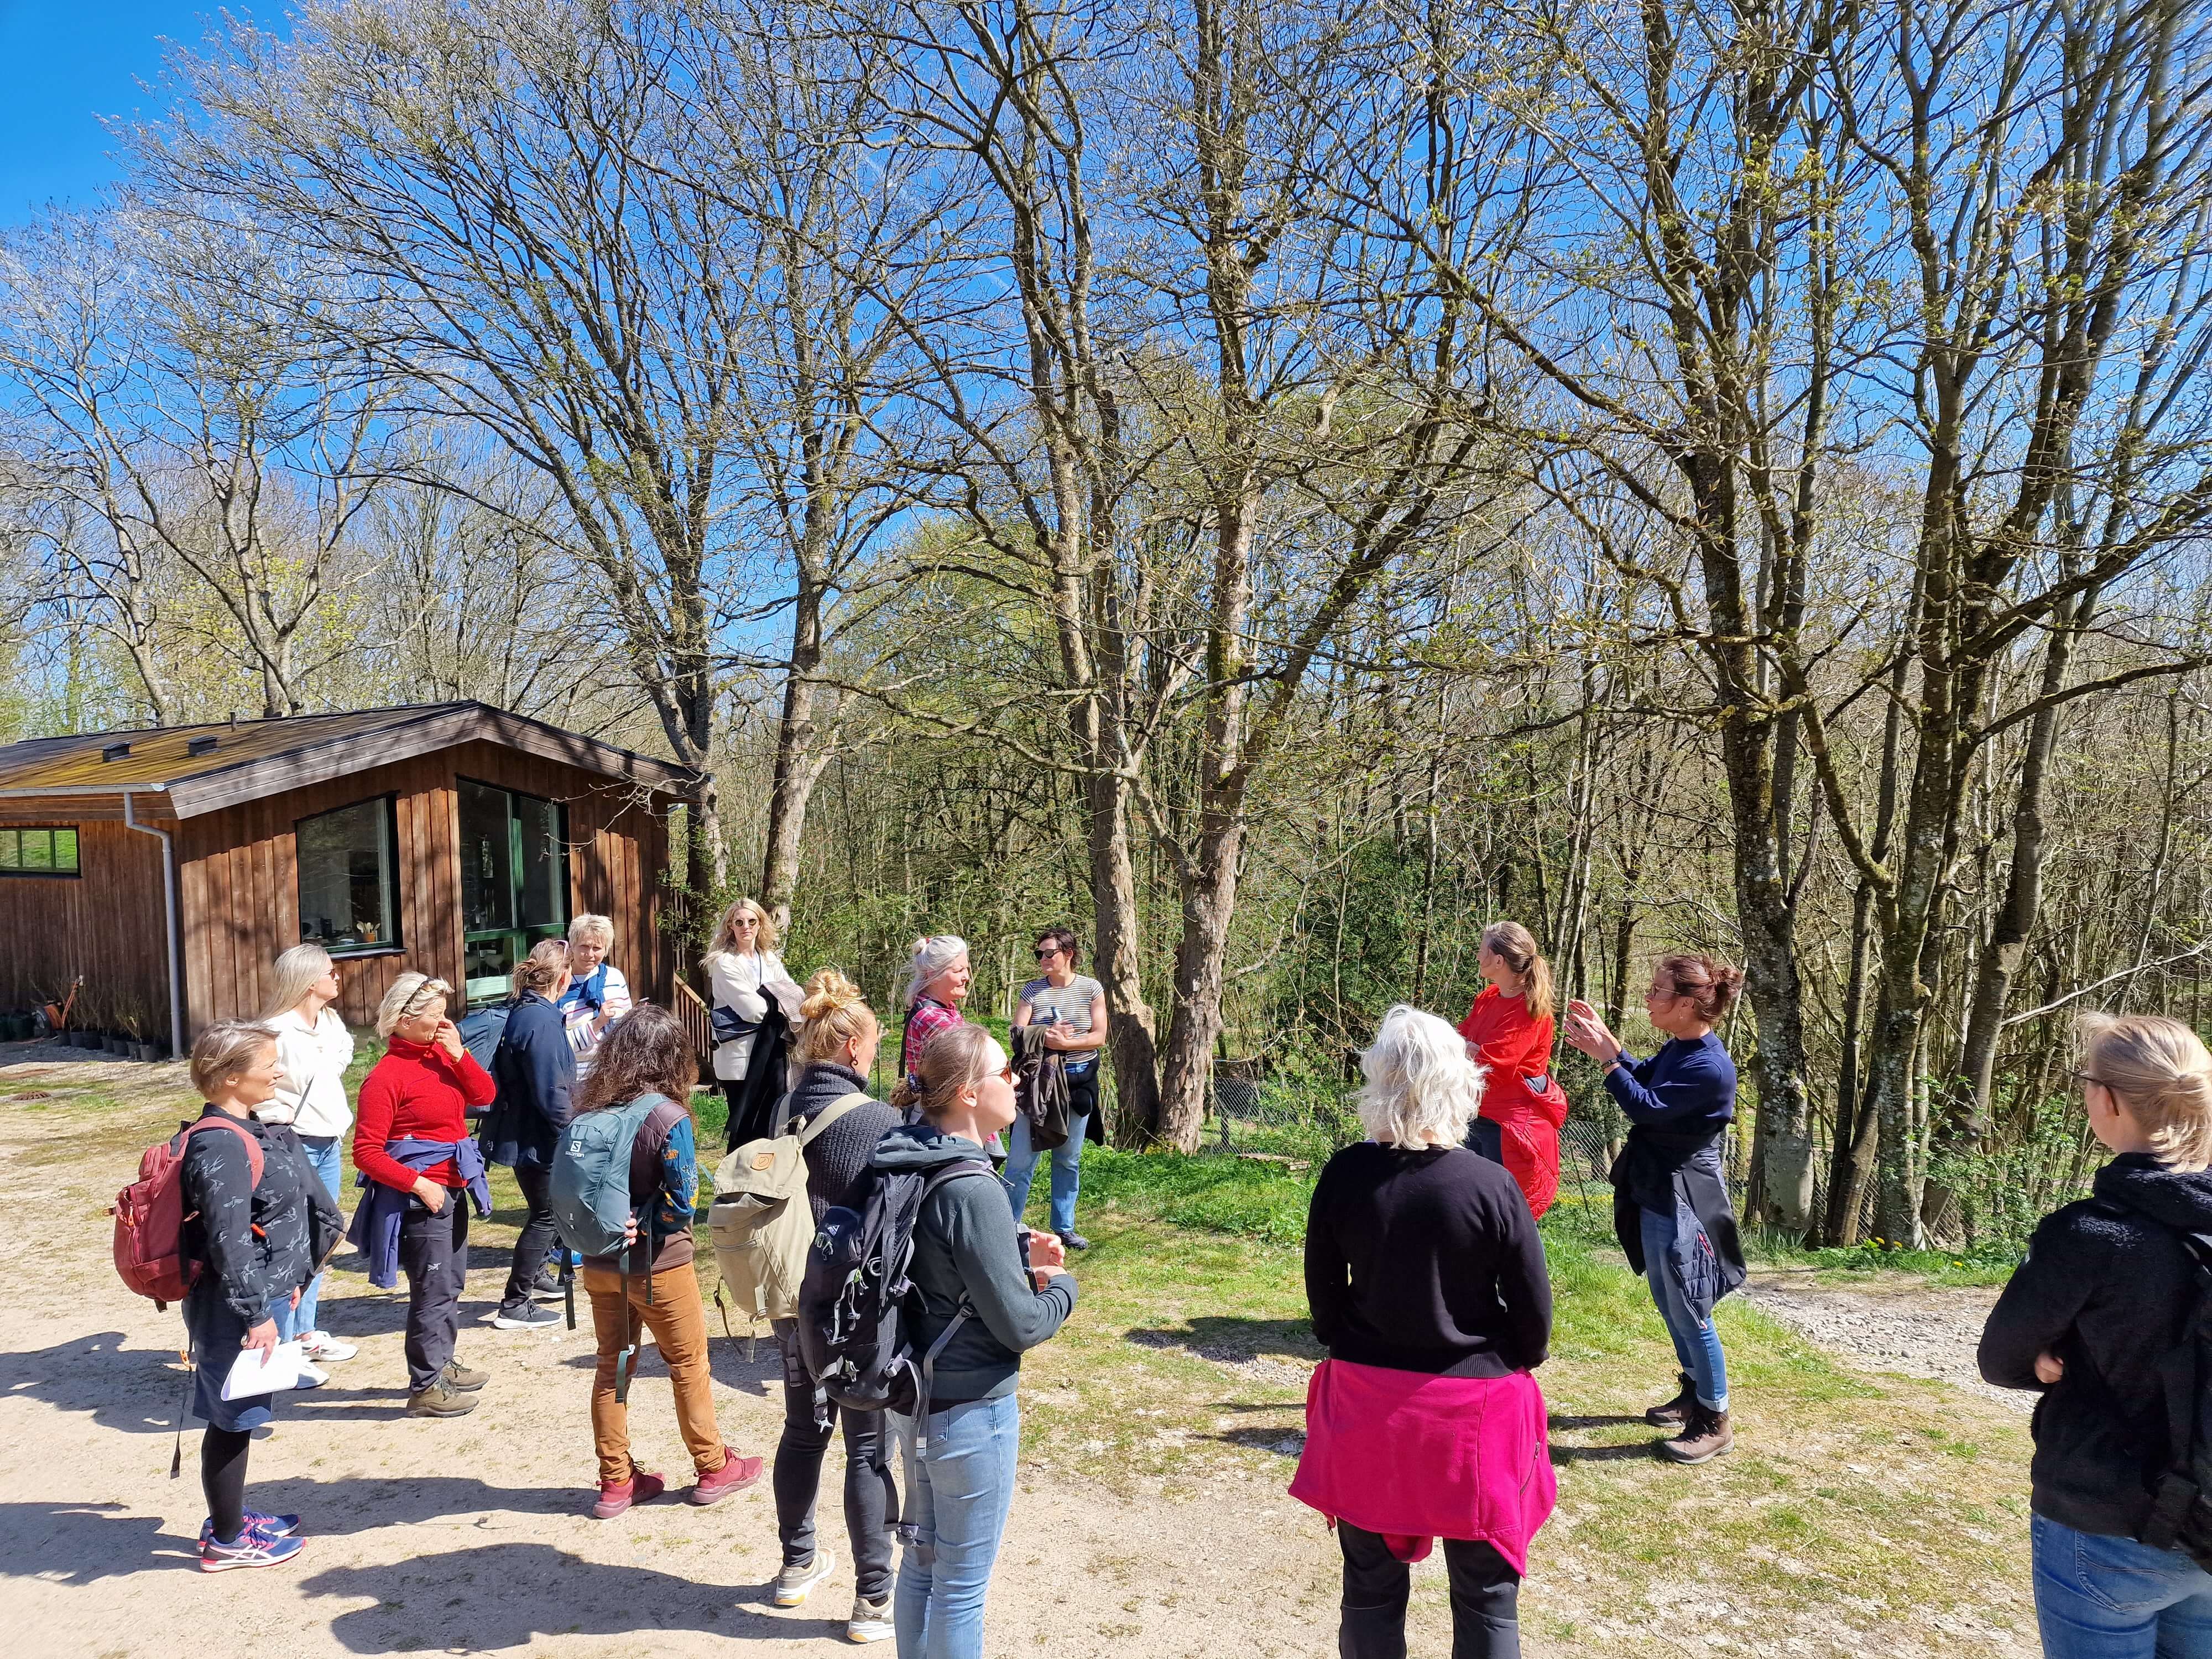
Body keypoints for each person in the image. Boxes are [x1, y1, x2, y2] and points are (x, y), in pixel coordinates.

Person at [1293, 1004, 1554, 1659]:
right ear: (1460, 1083)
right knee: (1486, 1593)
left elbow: (1323, 1298)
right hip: (1473, 1409)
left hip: (1367, 1401)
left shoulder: (1344, 1173)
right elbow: (1534, 1316)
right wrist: (1508, 1357)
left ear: (1377, 1080)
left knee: (1370, 1586)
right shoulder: (1491, 1184)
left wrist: (1352, 1340)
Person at [1979, 1013, 2212, 1656]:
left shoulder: (2087, 1235)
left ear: (2105, 1101)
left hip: (2106, 1521)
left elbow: (2000, 1359)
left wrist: (2047, 1359)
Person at [875, 1022, 1077, 1658]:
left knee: (921, 1566)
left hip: (915, 1399)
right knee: (960, 1588)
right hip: (970, 1413)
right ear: (967, 1092)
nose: (1016, 1080)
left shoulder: (911, 1155)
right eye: (1004, 1072)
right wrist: (1060, 1286)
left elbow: (941, 1263)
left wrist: (1013, 1253)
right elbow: (1021, 1324)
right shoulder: (973, 1187)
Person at [572, 1004, 766, 1519]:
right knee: (688, 1366)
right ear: (673, 1056)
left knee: (613, 1366)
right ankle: (713, 1466)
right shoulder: (667, 1117)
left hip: (600, 1263)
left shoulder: (589, 1110)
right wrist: (649, 1223)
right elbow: (683, 1203)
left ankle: (615, 1480)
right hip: (658, 1267)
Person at [1563, 952, 1747, 1464]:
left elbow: (1646, 1106)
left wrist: (1608, 1060)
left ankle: (1715, 1419)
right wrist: (1613, 1048)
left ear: (1687, 1004)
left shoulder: (1711, 1066)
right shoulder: (1682, 1047)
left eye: (1658, 991)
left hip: (1685, 1196)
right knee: (1669, 1300)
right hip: (1657, 1187)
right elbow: (1646, 1075)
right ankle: (1694, 1393)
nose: (1648, 997)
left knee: (1690, 1306)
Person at [769, 969, 903, 1642]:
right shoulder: (879, 1121)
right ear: (852, 1047)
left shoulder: (781, 1110)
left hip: (792, 1300)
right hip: (856, 1314)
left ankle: (795, 1567)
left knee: (802, 1431)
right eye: (874, 1042)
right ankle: (872, 1600)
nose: (875, 1052)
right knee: (867, 1449)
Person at [182, 1018, 341, 1570]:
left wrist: (290, 1284)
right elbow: (229, 1242)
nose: (278, 1072)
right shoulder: (220, 1144)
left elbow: (268, 1224)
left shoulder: (249, 1129)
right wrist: (255, 1315)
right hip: (234, 1308)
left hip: (258, 1298)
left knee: (238, 1416)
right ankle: (227, 1541)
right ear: (230, 1076)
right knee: (233, 1419)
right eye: (268, 1064)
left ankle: (230, 1516)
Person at [349, 972, 497, 1418]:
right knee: (431, 1290)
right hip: (420, 1197)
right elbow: (366, 1152)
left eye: (443, 1012)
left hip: (454, 1184)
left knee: (450, 1283)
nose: (444, 1021)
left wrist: (460, 1055)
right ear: (404, 1019)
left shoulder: (442, 1057)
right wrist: (418, 1184)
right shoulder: (385, 1078)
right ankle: (426, 1387)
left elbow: (485, 1095)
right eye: (434, 1014)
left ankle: (442, 1364)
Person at [259, 942, 358, 1372]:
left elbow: (344, 1052)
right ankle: (280, 1351)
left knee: (322, 1237)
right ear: (308, 981)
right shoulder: (275, 1031)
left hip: (329, 1140)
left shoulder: (330, 1021)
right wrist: (277, 1117)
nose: (337, 978)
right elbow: (257, 1085)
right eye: (330, 972)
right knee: (288, 1245)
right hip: (293, 1143)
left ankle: (305, 1333)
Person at [481, 938, 576, 1332]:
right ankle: (515, 1304)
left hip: (527, 1132)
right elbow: (550, 1092)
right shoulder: (540, 1020)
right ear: (563, 977)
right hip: (538, 1138)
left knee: (546, 1213)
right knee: (546, 1216)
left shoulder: (530, 1010)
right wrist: (574, 1133)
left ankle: (536, 1277)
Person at [1456, 921, 1568, 1219]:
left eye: (1482, 950)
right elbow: (1460, 1041)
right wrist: (1469, 1048)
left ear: (1498, 960)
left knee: (1506, 1216)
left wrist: (1470, 1049)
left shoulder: (1529, 1009)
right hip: (1478, 1114)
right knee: (1476, 1210)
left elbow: (1494, 1065)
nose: (1477, 956)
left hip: (1510, 1129)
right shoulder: (1487, 998)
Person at [1003, 926, 1106, 1250]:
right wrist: (1047, 1034)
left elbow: (1100, 1036)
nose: (1043, 959)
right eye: (1040, 954)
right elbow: (1017, 1033)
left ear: (1069, 954)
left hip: (1079, 1083)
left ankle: (1064, 1227)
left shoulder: (1091, 988)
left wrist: (1067, 1044)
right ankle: (1006, 1228)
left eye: (1049, 953)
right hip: (1037, 1084)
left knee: (1067, 1159)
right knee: (1021, 1160)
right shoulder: (1032, 990)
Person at [704, 896, 800, 1147]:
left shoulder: (769, 959)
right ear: (730, 927)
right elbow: (754, 1011)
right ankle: (736, 1172)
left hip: (773, 1057)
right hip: (740, 1062)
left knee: (770, 1128)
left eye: (752, 921)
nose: (746, 927)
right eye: (739, 922)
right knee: (744, 1132)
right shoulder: (724, 963)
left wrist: (769, 998)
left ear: (760, 924)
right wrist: (776, 999)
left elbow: (796, 995)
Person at [559, 912, 633, 1079]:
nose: (590, 954)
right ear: (572, 946)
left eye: (597, 948)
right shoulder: (560, 984)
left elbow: (627, 1028)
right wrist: (597, 1024)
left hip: (613, 1076)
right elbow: (558, 1044)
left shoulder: (615, 978)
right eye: (584, 947)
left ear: (606, 950)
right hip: (575, 1078)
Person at [898, 936, 971, 1089]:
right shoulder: (931, 1018)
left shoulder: (944, 1010)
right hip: (940, 1103)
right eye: (959, 971)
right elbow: (977, 1061)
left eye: (966, 969)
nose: (967, 977)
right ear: (933, 974)